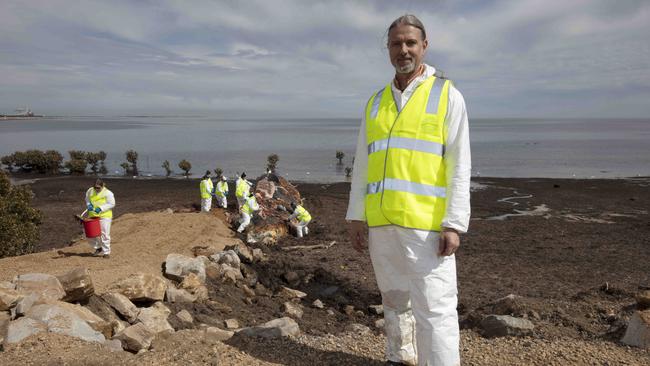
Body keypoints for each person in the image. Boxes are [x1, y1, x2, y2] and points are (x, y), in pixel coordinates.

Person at [345, 14, 471, 366]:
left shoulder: (447, 96)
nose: (404, 50)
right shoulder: (375, 103)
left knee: (436, 309)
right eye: (397, 43)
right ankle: (400, 357)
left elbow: (460, 165)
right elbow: (364, 164)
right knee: (395, 300)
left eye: (410, 43)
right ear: (388, 49)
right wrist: (356, 215)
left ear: (424, 46)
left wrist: (454, 223)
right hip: (382, 223)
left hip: (426, 227)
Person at [84, 179, 115, 258]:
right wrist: (89, 205)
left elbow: (112, 204)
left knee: (104, 234)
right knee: (88, 233)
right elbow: (87, 199)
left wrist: (101, 208)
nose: (96, 189)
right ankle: (98, 247)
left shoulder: (108, 193)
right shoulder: (90, 191)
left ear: (102, 186)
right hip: (92, 215)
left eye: (98, 188)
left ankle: (106, 252)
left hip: (104, 216)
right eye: (95, 187)